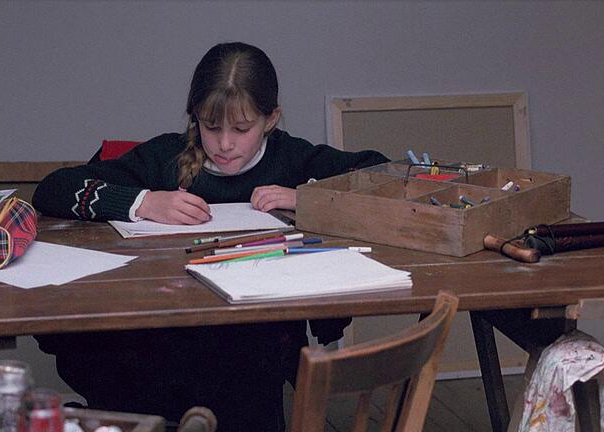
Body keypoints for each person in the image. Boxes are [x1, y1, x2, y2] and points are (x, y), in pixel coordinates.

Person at [32, 41, 389, 431]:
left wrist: (306, 197)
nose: (224, 144)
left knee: (247, 372)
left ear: (271, 119)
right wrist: (144, 202)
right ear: (195, 117)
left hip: (255, 345)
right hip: (168, 338)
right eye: (211, 126)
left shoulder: (291, 158)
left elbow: (385, 174)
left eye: (242, 129)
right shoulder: (166, 159)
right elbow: (53, 189)